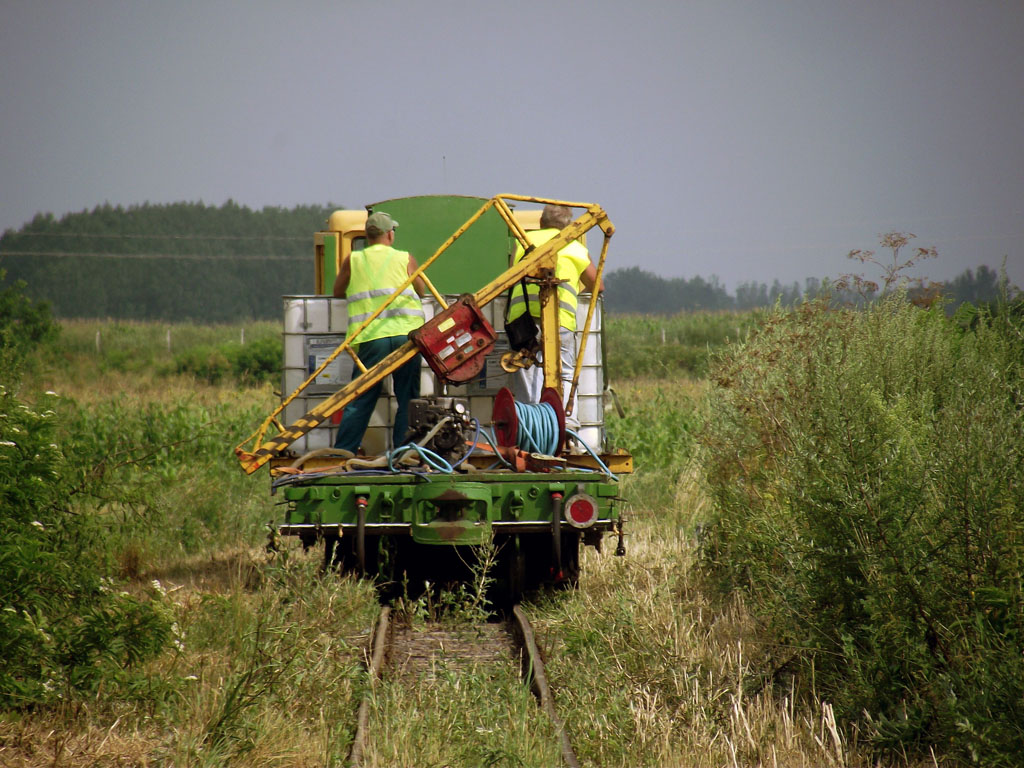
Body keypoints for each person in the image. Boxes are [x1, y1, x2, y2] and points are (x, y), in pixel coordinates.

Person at [332, 211, 427, 453]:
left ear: (367, 236)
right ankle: (404, 453)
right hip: (406, 337)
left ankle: (344, 450)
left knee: (361, 397)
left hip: (371, 338)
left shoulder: (353, 260)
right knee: (408, 398)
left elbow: (337, 291)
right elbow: (422, 291)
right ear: (389, 234)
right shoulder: (405, 259)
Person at [507, 204, 603, 430]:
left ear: (541, 223)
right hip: (561, 320)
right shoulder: (575, 247)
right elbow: (598, 286)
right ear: (567, 227)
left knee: (527, 370)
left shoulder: (523, 244)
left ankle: (529, 429)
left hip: (524, 322)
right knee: (565, 371)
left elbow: (510, 276)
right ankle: (568, 426)